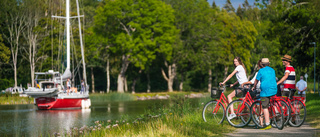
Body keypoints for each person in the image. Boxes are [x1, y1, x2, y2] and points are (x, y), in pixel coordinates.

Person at [252, 58, 277, 130]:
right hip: (274, 89)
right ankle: (277, 113)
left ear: (261, 64)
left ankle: (267, 123)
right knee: (272, 102)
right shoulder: (272, 70)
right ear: (269, 64)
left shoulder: (261, 71)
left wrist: (254, 87)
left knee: (265, 107)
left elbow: (256, 81)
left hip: (265, 91)